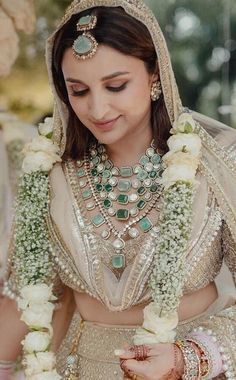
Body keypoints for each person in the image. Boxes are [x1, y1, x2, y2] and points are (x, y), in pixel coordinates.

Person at [0, 1, 236, 379]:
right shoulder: (51, 172)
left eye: (116, 85)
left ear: (154, 74)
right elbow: (32, 293)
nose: (97, 107)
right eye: (78, 91)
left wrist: (186, 358)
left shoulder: (215, 164)